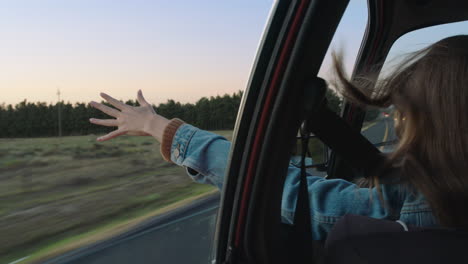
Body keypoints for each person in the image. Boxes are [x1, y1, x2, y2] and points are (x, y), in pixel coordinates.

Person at [89, 35, 468, 240]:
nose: (399, 123)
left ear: (438, 127)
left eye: (404, 114)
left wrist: (162, 129)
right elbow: (381, 172)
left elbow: (293, 196)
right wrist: (320, 119)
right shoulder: (442, 192)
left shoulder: (416, 211)